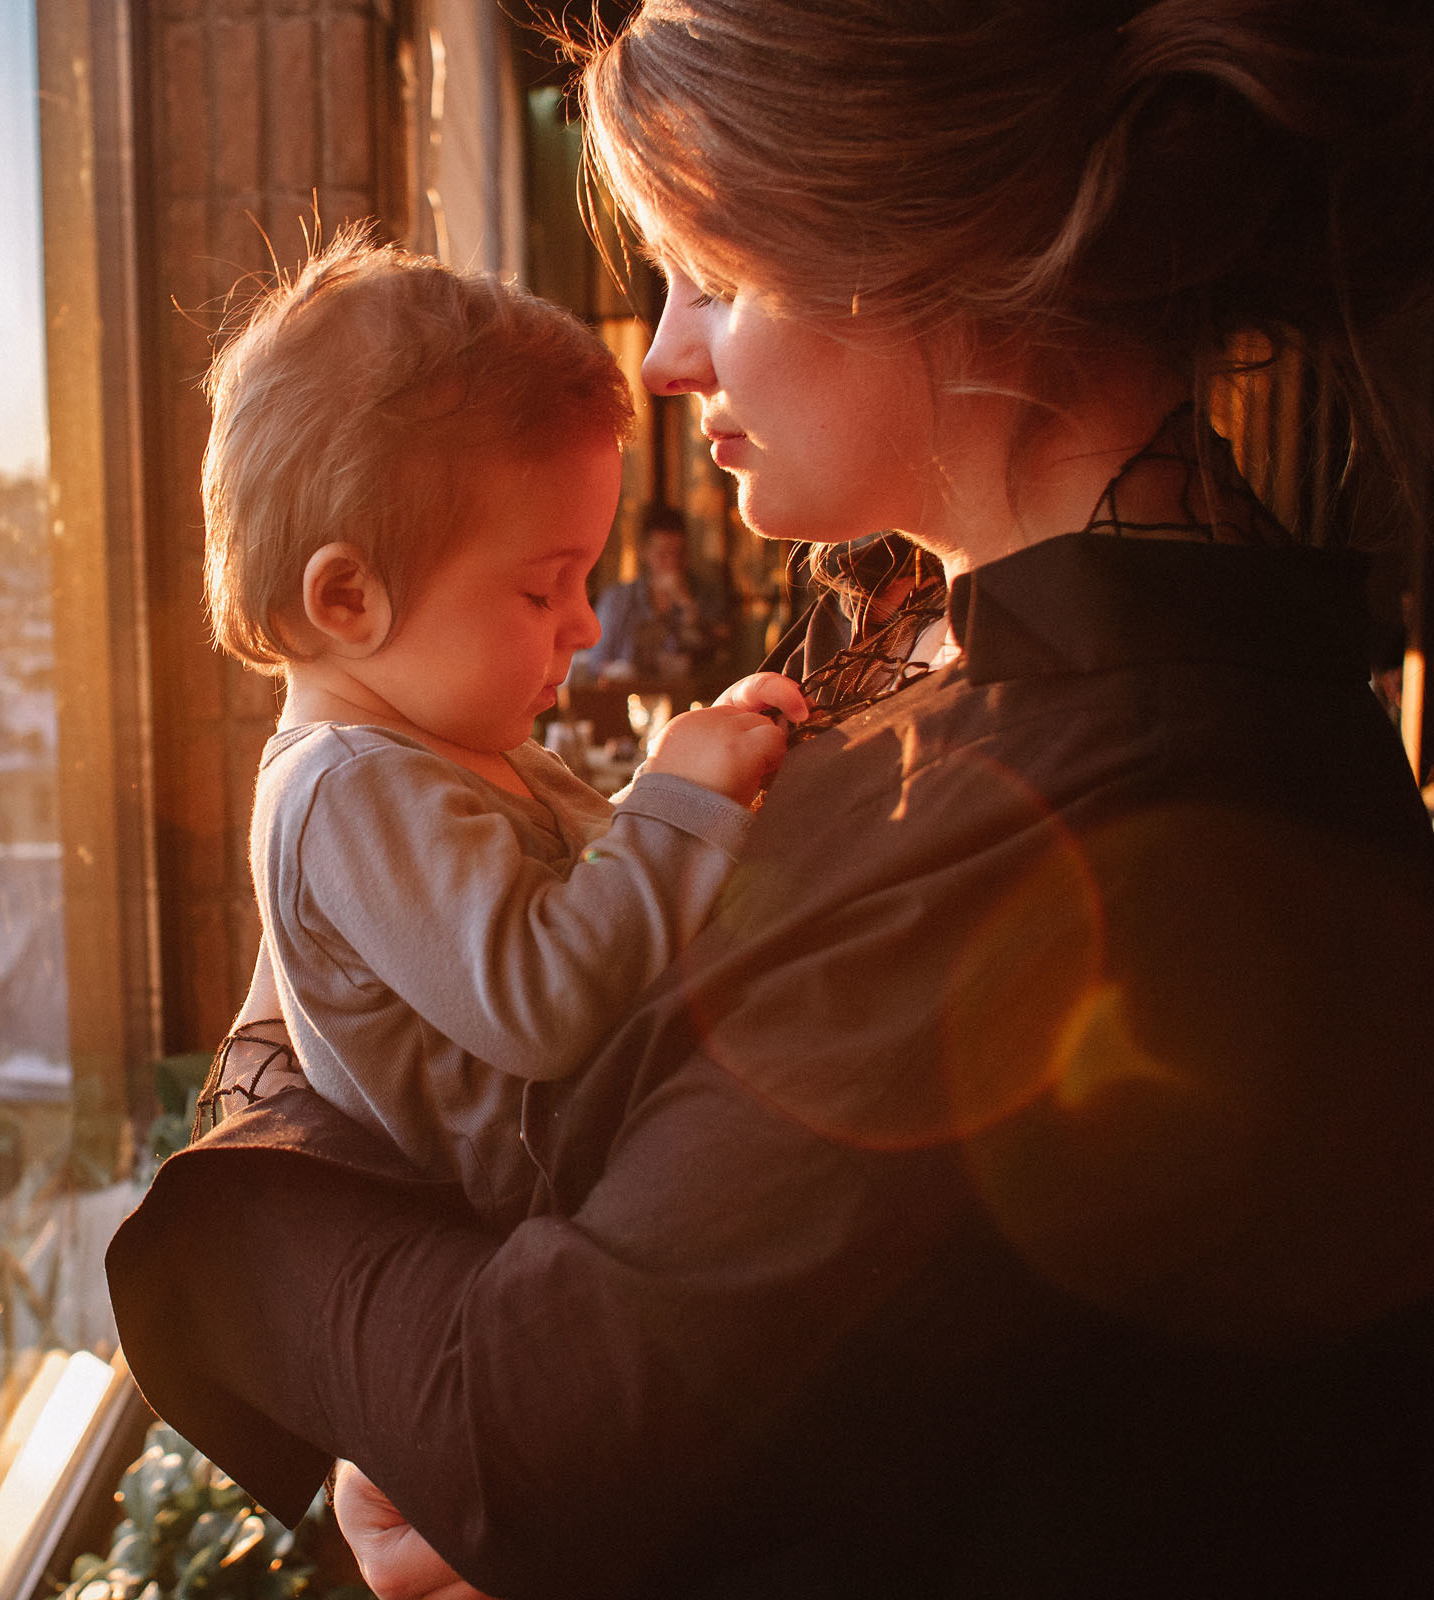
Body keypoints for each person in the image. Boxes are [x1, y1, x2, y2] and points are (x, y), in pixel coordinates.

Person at [108, 1, 1434, 1595]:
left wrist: (243, 1209)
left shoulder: (1116, 815)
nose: (664, 356)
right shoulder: (995, 661)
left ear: (946, 253)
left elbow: (558, 1435)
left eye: (716, 278)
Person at [198, 236, 806, 1222]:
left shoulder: (444, 744)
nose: (583, 624)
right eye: (542, 587)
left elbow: (593, 888)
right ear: (349, 596)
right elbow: (544, 1000)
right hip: (546, 1201)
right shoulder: (346, 788)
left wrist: (689, 781)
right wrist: (676, 801)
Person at [574, 506, 729, 697]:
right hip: (626, 702)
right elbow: (595, 661)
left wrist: (686, 605)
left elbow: (718, 661)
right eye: (663, 554)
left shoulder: (706, 596)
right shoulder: (617, 600)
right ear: (644, 551)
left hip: (688, 703)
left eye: (679, 554)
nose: (672, 562)